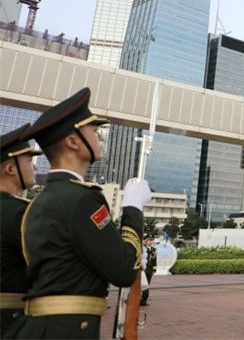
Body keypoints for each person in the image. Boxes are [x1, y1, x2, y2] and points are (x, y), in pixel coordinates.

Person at [9, 87, 151, 339]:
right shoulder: (82, 199)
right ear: (73, 142)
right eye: (94, 132)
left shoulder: (38, 203)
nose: (100, 138)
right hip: (66, 331)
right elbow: (124, 269)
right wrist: (133, 208)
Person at [0, 124, 40, 335]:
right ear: (10, 169)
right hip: (11, 323)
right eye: (29, 161)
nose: (35, 167)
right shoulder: (21, 213)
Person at [139, 234, 157, 306]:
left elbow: (154, 261)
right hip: (143, 269)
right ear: (145, 241)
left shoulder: (154, 250)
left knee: (147, 285)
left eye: (151, 240)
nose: (150, 242)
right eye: (149, 240)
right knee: (141, 284)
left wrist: (154, 270)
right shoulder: (142, 248)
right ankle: (137, 299)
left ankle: (144, 301)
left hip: (149, 269)